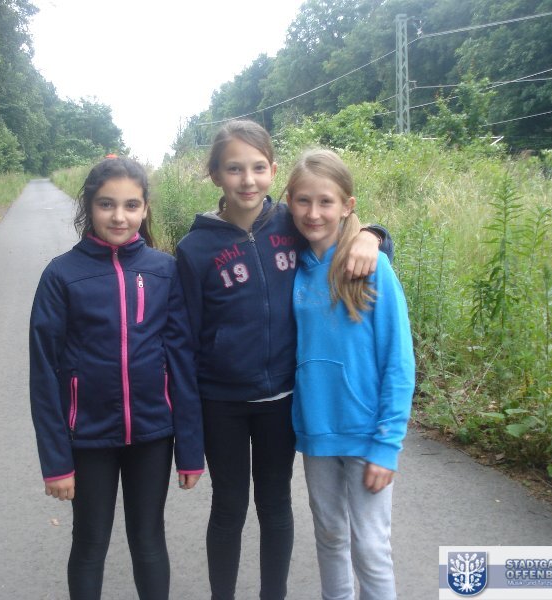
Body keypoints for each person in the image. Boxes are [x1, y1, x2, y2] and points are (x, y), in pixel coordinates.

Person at [175, 120, 392, 600]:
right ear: (215, 174)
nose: (247, 180)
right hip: (222, 403)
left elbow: (337, 229)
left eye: (257, 168)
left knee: (275, 506)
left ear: (273, 171)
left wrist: (373, 235)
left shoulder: (290, 224)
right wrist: (187, 439)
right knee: (228, 508)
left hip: (283, 400)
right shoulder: (194, 250)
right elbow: (183, 345)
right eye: (234, 169)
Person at [29, 156, 204, 600]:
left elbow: (181, 361)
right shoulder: (61, 275)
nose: (119, 216)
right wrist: (56, 462)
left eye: (131, 205)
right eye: (106, 204)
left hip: (153, 434)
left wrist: (190, 448)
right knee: (90, 543)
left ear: (145, 209)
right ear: (89, 205)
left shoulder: (164, 270)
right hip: (88, 437)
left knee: (149, 539)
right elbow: (44, 374)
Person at [285, 149, 415, 600]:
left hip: (366, 434)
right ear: (289, 202)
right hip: (317, 431)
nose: (314, 213)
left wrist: (388, 444)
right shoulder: (292, 266)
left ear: (347, 206)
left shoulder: (373, 268)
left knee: (371, 547)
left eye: (326, 201)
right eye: (303, 201)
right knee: (330, 536)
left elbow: (399, 361)